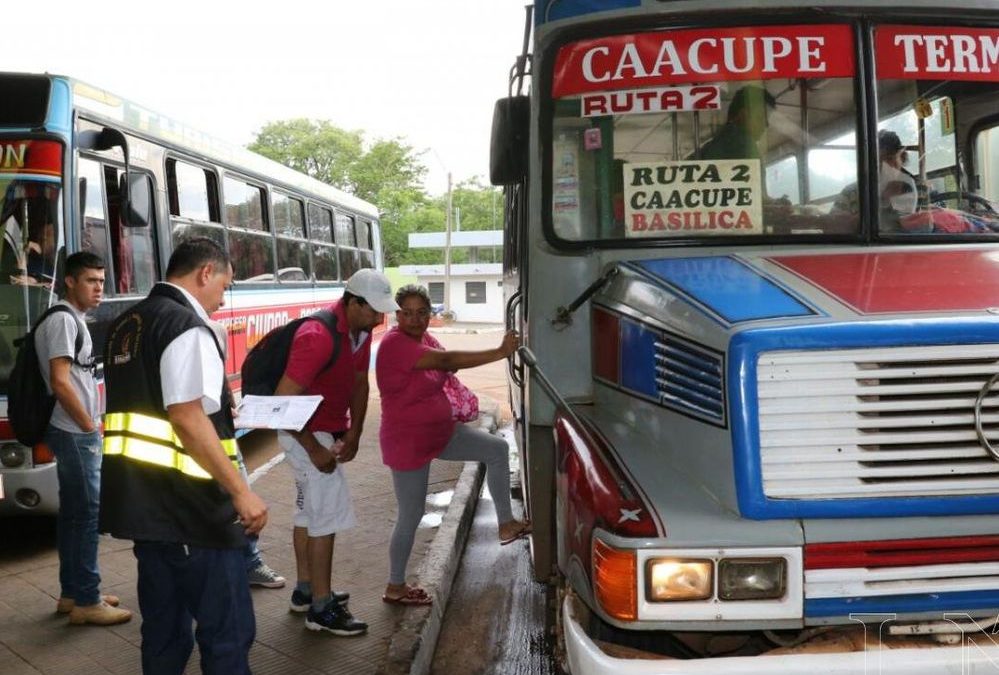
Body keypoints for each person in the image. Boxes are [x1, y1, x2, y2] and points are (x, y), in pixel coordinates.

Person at [100, 237, 268, 674]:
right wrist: (241, 492)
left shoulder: (127, 323)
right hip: (196, 514)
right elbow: (187, 417)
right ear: (205, 273)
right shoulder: (186, 327)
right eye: (224, 286)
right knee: (227, 635)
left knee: (163, 634)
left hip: (147, 511)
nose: (222, 298)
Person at [375, 285, 530, 606]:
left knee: (496, 450)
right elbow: (449, 359)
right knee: (411, 513)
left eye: (422, 313)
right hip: (408, 443)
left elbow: (447, 365)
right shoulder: (395, 344)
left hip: (442, 433)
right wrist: (500, 351)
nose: (416, 320)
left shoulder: (424, 339)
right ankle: (395, 585)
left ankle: (506, 524)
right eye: (407, 313)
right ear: (396, 315)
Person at [274, 267, 397, 636]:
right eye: (373, 310)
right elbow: (282, 403)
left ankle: (306, 590)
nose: (380, 318)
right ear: (352, 301)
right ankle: (322, 609)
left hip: (324, 431)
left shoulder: (358, 333)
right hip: (305, 434)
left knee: (306, 514)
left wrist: (355, 432)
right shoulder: (318, 336)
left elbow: (360, 382)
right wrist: (314, 448)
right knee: (325, 519)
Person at [37, 251, 132, 626]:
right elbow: (61, 380)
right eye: (91, 281)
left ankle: (72, 592)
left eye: (102, 282)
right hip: (76, 432)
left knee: (75, 515)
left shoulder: (71, 319)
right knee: (88, 515)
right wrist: (89, 425)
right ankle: (88, 600)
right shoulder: (63, 321)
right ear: (70, 281)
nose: (99, 289)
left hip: (75, 430)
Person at [831, 129, 919, 226]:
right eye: (876, 160)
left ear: (902, 158)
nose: (882, 165)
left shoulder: (907, 186)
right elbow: (833, 226)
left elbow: (899, 228)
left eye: (889, 158)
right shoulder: (849, 192)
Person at [697, 84, 776, 160]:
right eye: (761, 117)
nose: (766, 124)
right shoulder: (742, 146)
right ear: (743, 115)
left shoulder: (717, 142)